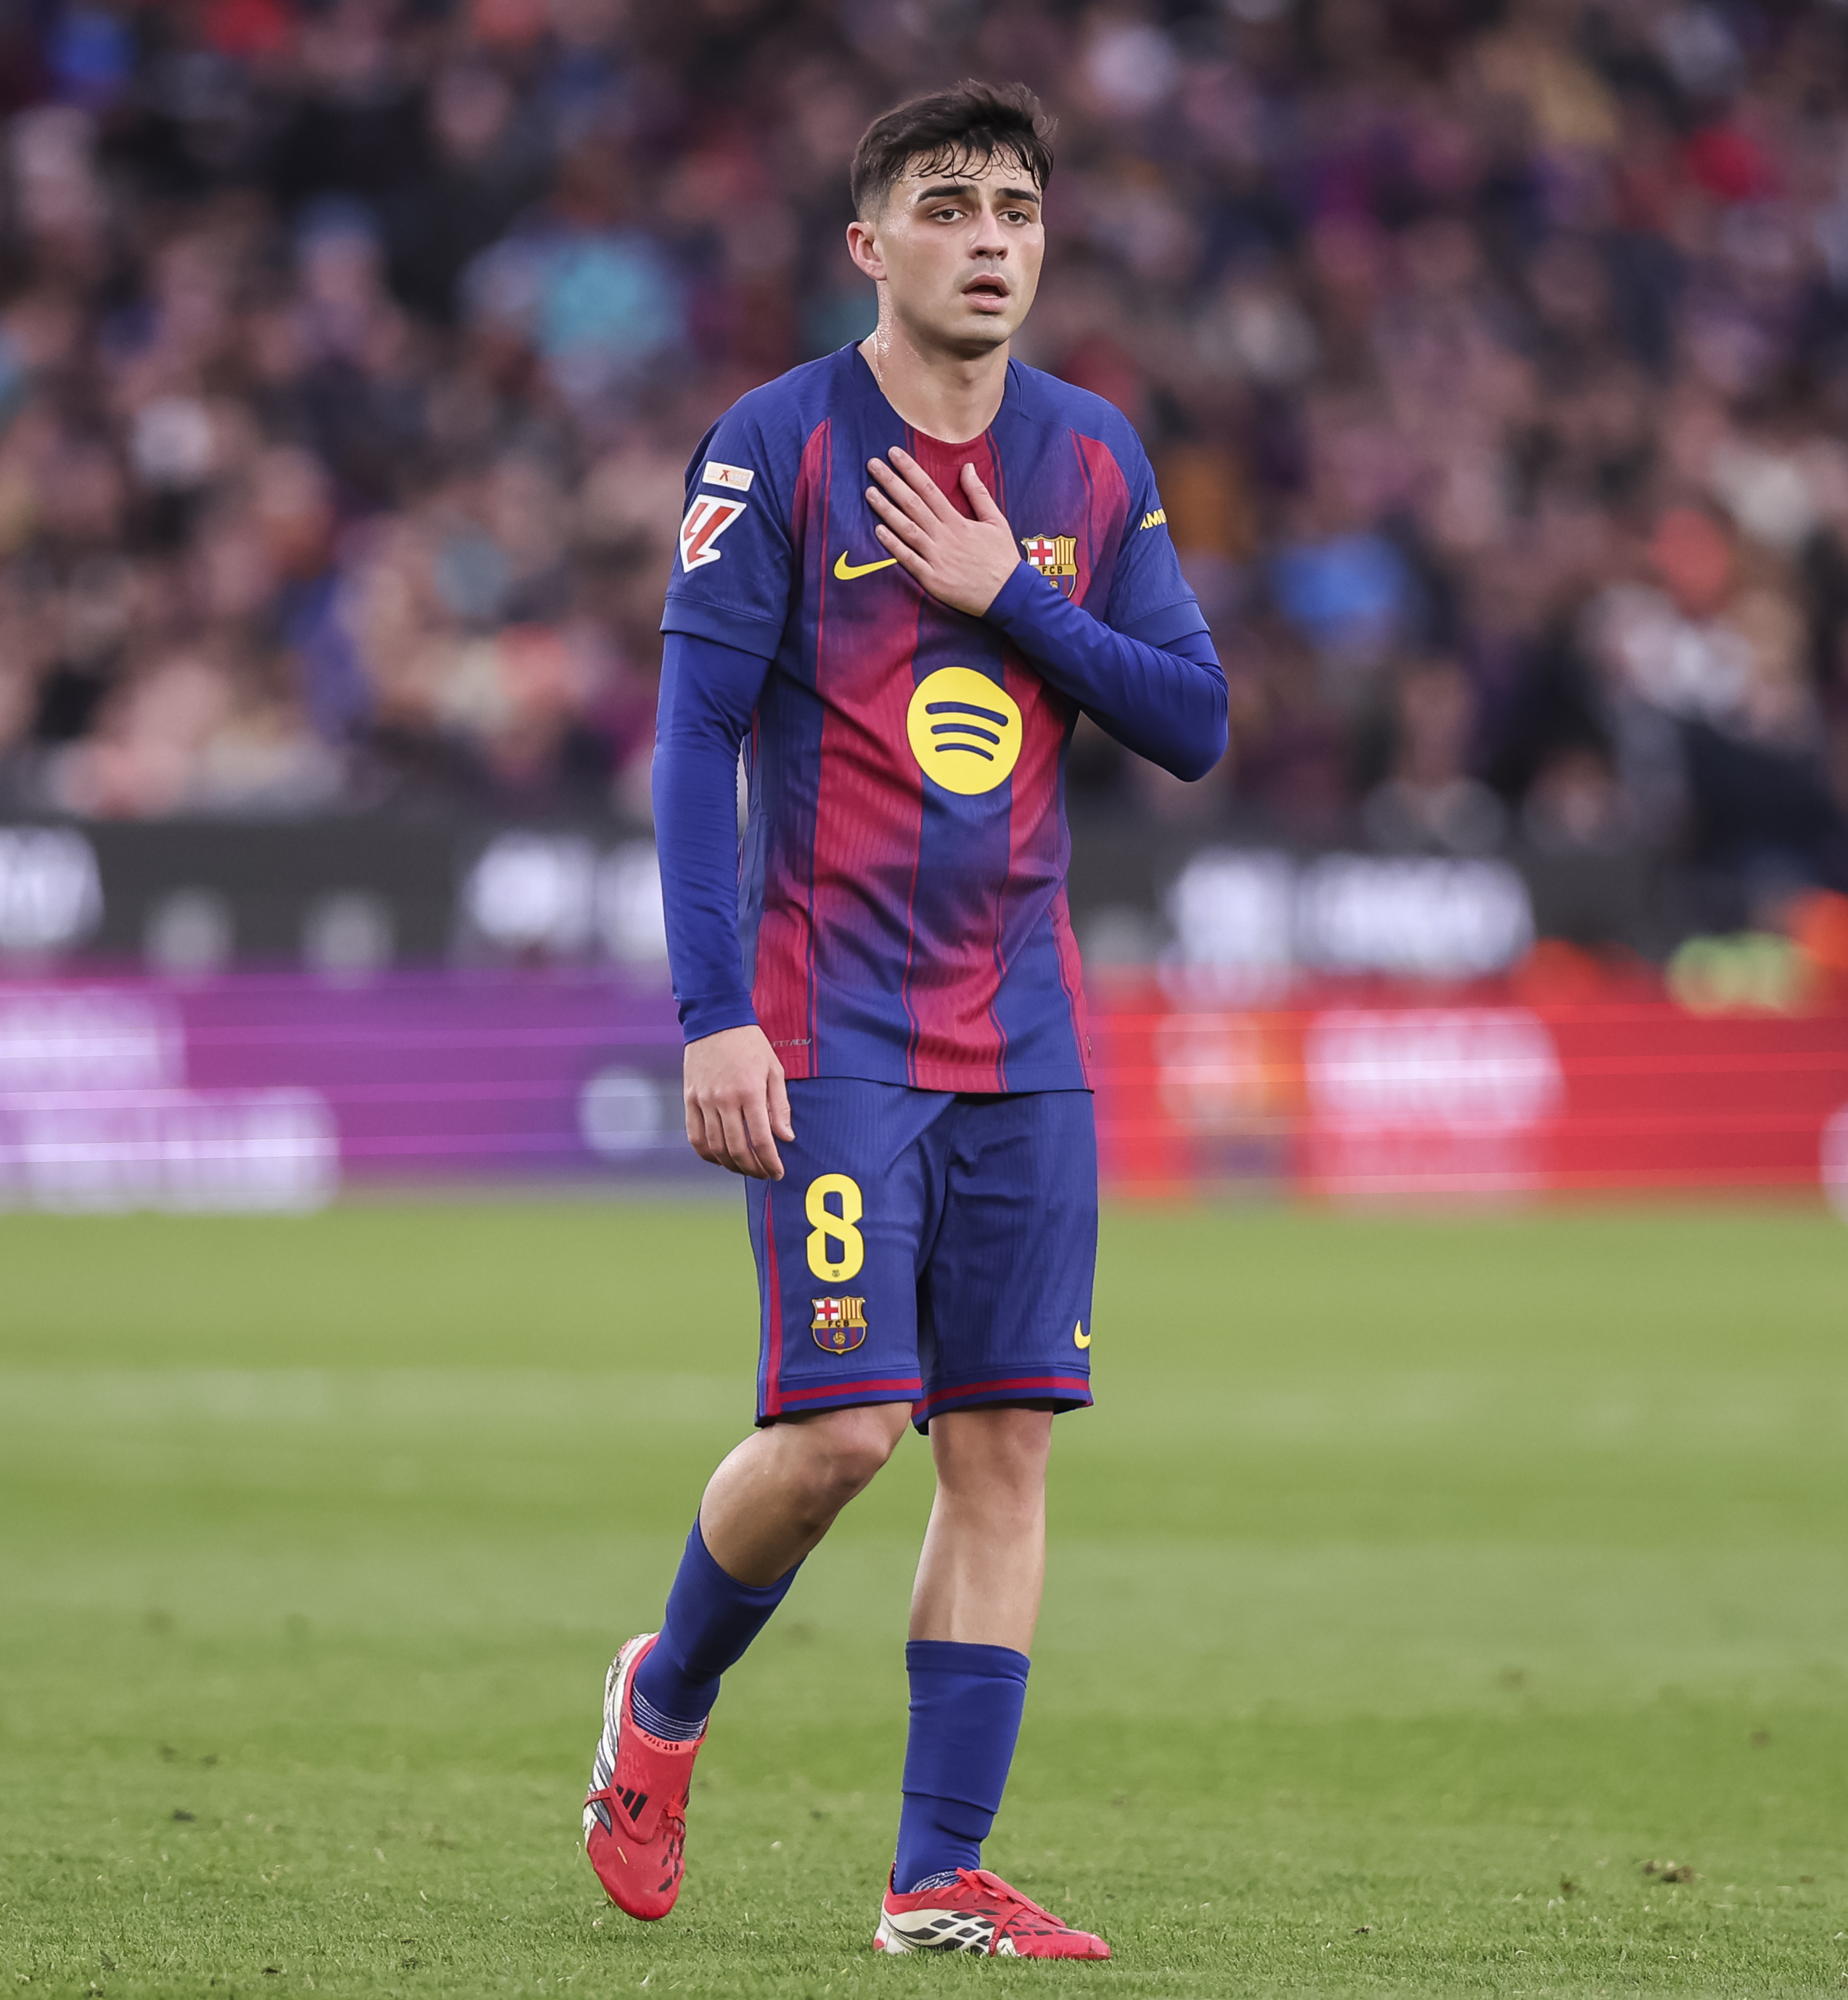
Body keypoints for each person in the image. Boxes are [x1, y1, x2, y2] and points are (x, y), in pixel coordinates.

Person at [584, 81, 1229, 1959]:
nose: (992, 237)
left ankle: (936, 1874)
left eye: (1017, 206)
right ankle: (667, 1696)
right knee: (848, 1429)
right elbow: (695, 738)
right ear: (872, 246)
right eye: (949, 206)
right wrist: (715, 1014)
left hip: (1027, 1026)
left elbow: (1188, 719)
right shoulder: (777, 445)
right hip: (831, 1010)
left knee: (1006, 1445)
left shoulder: (1091, 464)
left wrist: (1001, 597)